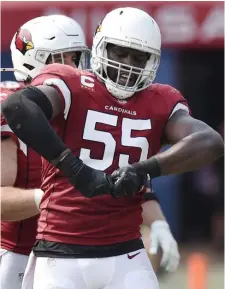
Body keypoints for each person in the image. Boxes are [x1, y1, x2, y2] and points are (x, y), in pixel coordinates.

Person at [3, 7, 223, 289]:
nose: (127, 64)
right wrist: (75, 170)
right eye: (119, 52)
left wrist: (145, 169)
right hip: (60, 251)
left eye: (138, 57)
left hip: (126, 253)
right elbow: (18, 106)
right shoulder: (73, 86)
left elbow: (210, 141)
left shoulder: (160, 99)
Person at [0, 14, 90, 289]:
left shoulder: (84, 107)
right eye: (63, 59)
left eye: (76, 58)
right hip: (17, 254)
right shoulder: (10, 110)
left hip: (76, 254)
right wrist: (49, 197)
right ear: (33, 60)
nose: (73, 68)